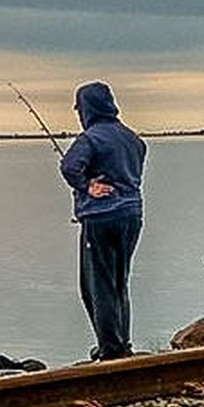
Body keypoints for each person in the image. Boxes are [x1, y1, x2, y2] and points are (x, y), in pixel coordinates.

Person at [59, 82, 147, 361]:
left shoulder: (90, 139)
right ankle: (123, 342)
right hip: (132, 216)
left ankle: (110, 348)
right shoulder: (133, 139)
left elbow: (70, 166)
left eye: (79, 108)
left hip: (101, 218)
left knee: (97, 286)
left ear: (87, 108)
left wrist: (86, 186)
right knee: (120, 281)